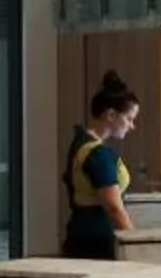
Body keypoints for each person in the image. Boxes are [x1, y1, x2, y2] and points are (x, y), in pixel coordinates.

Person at [61, 71, 142, 259]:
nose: (132, 126)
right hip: (97, 242)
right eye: (129, 118)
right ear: (111, 115)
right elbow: (114, 208)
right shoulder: (99, 155)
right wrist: (136, 243)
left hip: (80, 235)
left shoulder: (81, 141)